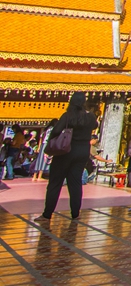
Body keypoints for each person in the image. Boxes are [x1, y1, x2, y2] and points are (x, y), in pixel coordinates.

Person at [37, 92, 98, 221]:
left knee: (55, 182)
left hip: (66, 150)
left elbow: (56, 131)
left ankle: (47, 214)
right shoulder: (90, 117)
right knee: (75, 182)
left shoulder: (68, 116)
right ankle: (75, 213)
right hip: (82, 151)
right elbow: (95, 126)